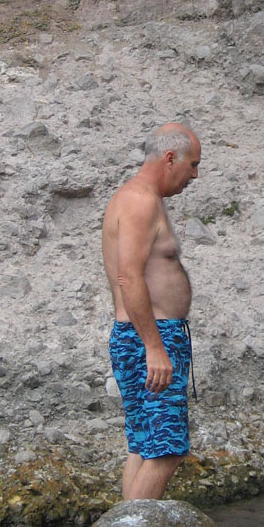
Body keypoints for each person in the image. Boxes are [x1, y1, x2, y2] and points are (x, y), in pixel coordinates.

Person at [102, 122, 201, 500]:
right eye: (193, 165)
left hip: (140, 335)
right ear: (170, 158)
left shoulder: (134, 198)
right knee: (166, 450)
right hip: (150, 336)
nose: (195, 175)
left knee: (144, 444)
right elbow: (129, 278)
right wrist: (155, 348)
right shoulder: (140, 201)